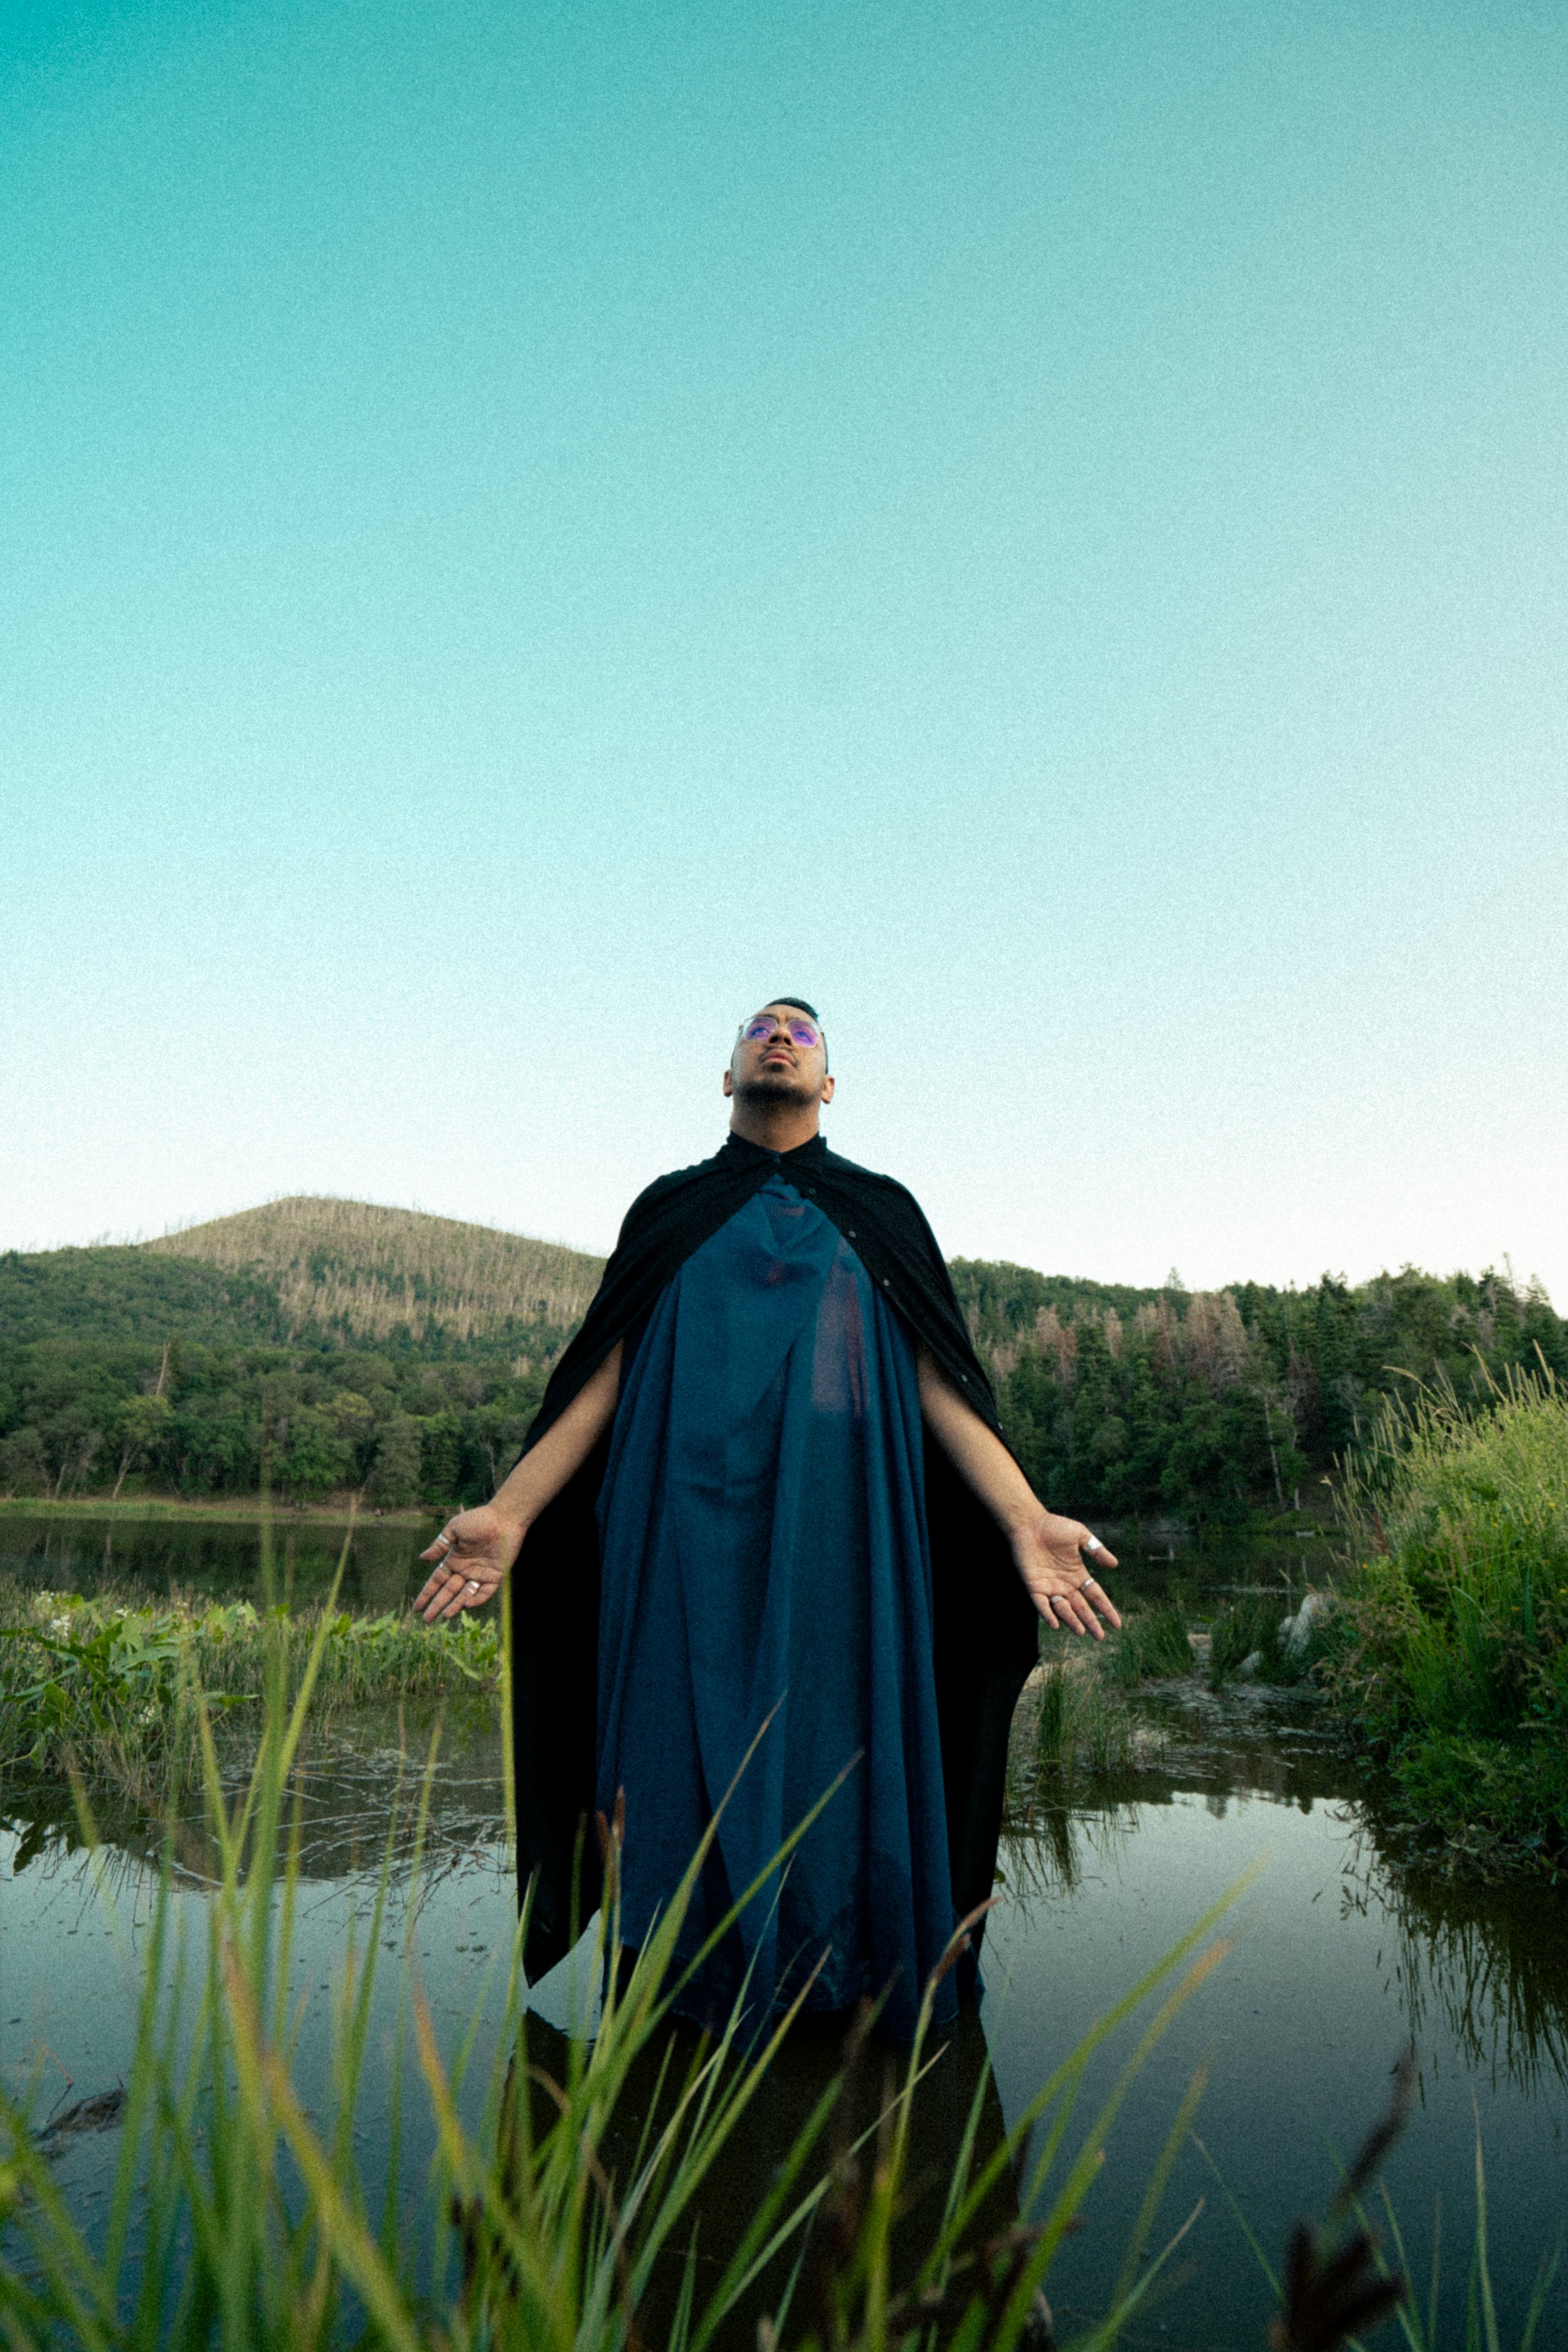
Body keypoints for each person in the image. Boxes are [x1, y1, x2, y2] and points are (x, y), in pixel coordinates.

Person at [413, 1001, 1120, 2042]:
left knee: (844, 1746)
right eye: (759, 1029)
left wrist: (1021, 1516)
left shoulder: (880, 1211)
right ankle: (676, 1996)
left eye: (803, 1033)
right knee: (667, 1744)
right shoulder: (670, 1209)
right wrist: (515, 1513)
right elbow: (605, 1372)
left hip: (845, 1540)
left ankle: (852, 1989)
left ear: (829, 1083)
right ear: (728, 1073)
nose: (779, 1037)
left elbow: (935, 1376)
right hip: (676, 1527)